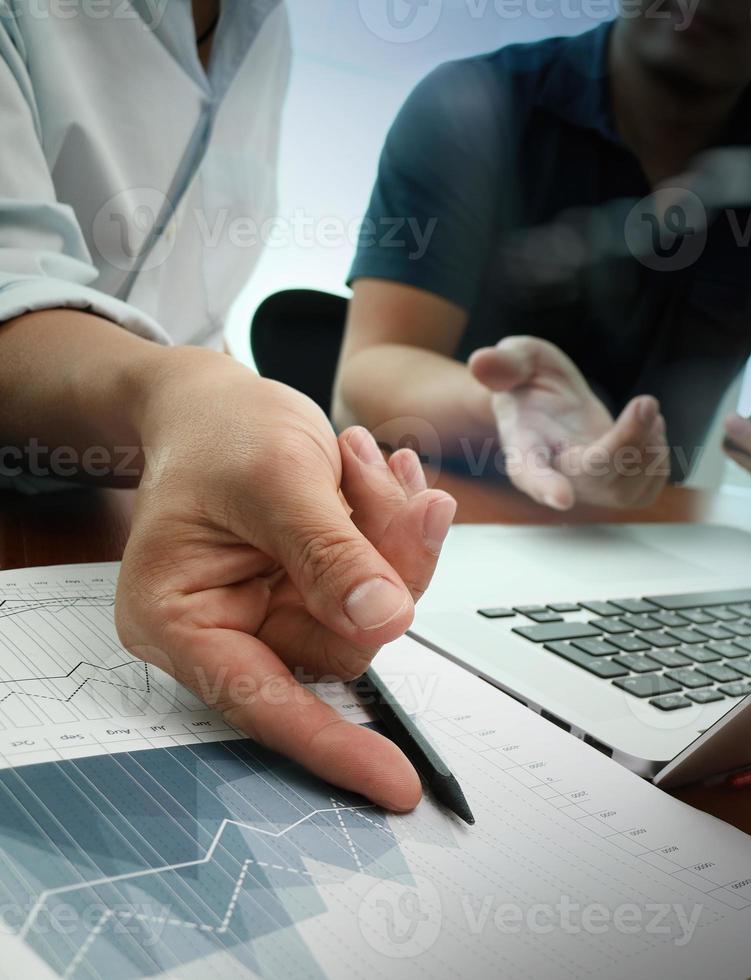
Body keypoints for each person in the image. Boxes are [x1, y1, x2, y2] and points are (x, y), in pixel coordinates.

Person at [0, 0, 448, 811]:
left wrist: (253, 446)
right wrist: (187, 394)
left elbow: (193, 323)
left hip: (98, 515)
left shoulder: (264, 32)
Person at [335, 1, 751, 524]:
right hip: (442, 520)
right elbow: (371, 365)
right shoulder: (468, 103)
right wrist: (507, 407)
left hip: (638, 552)